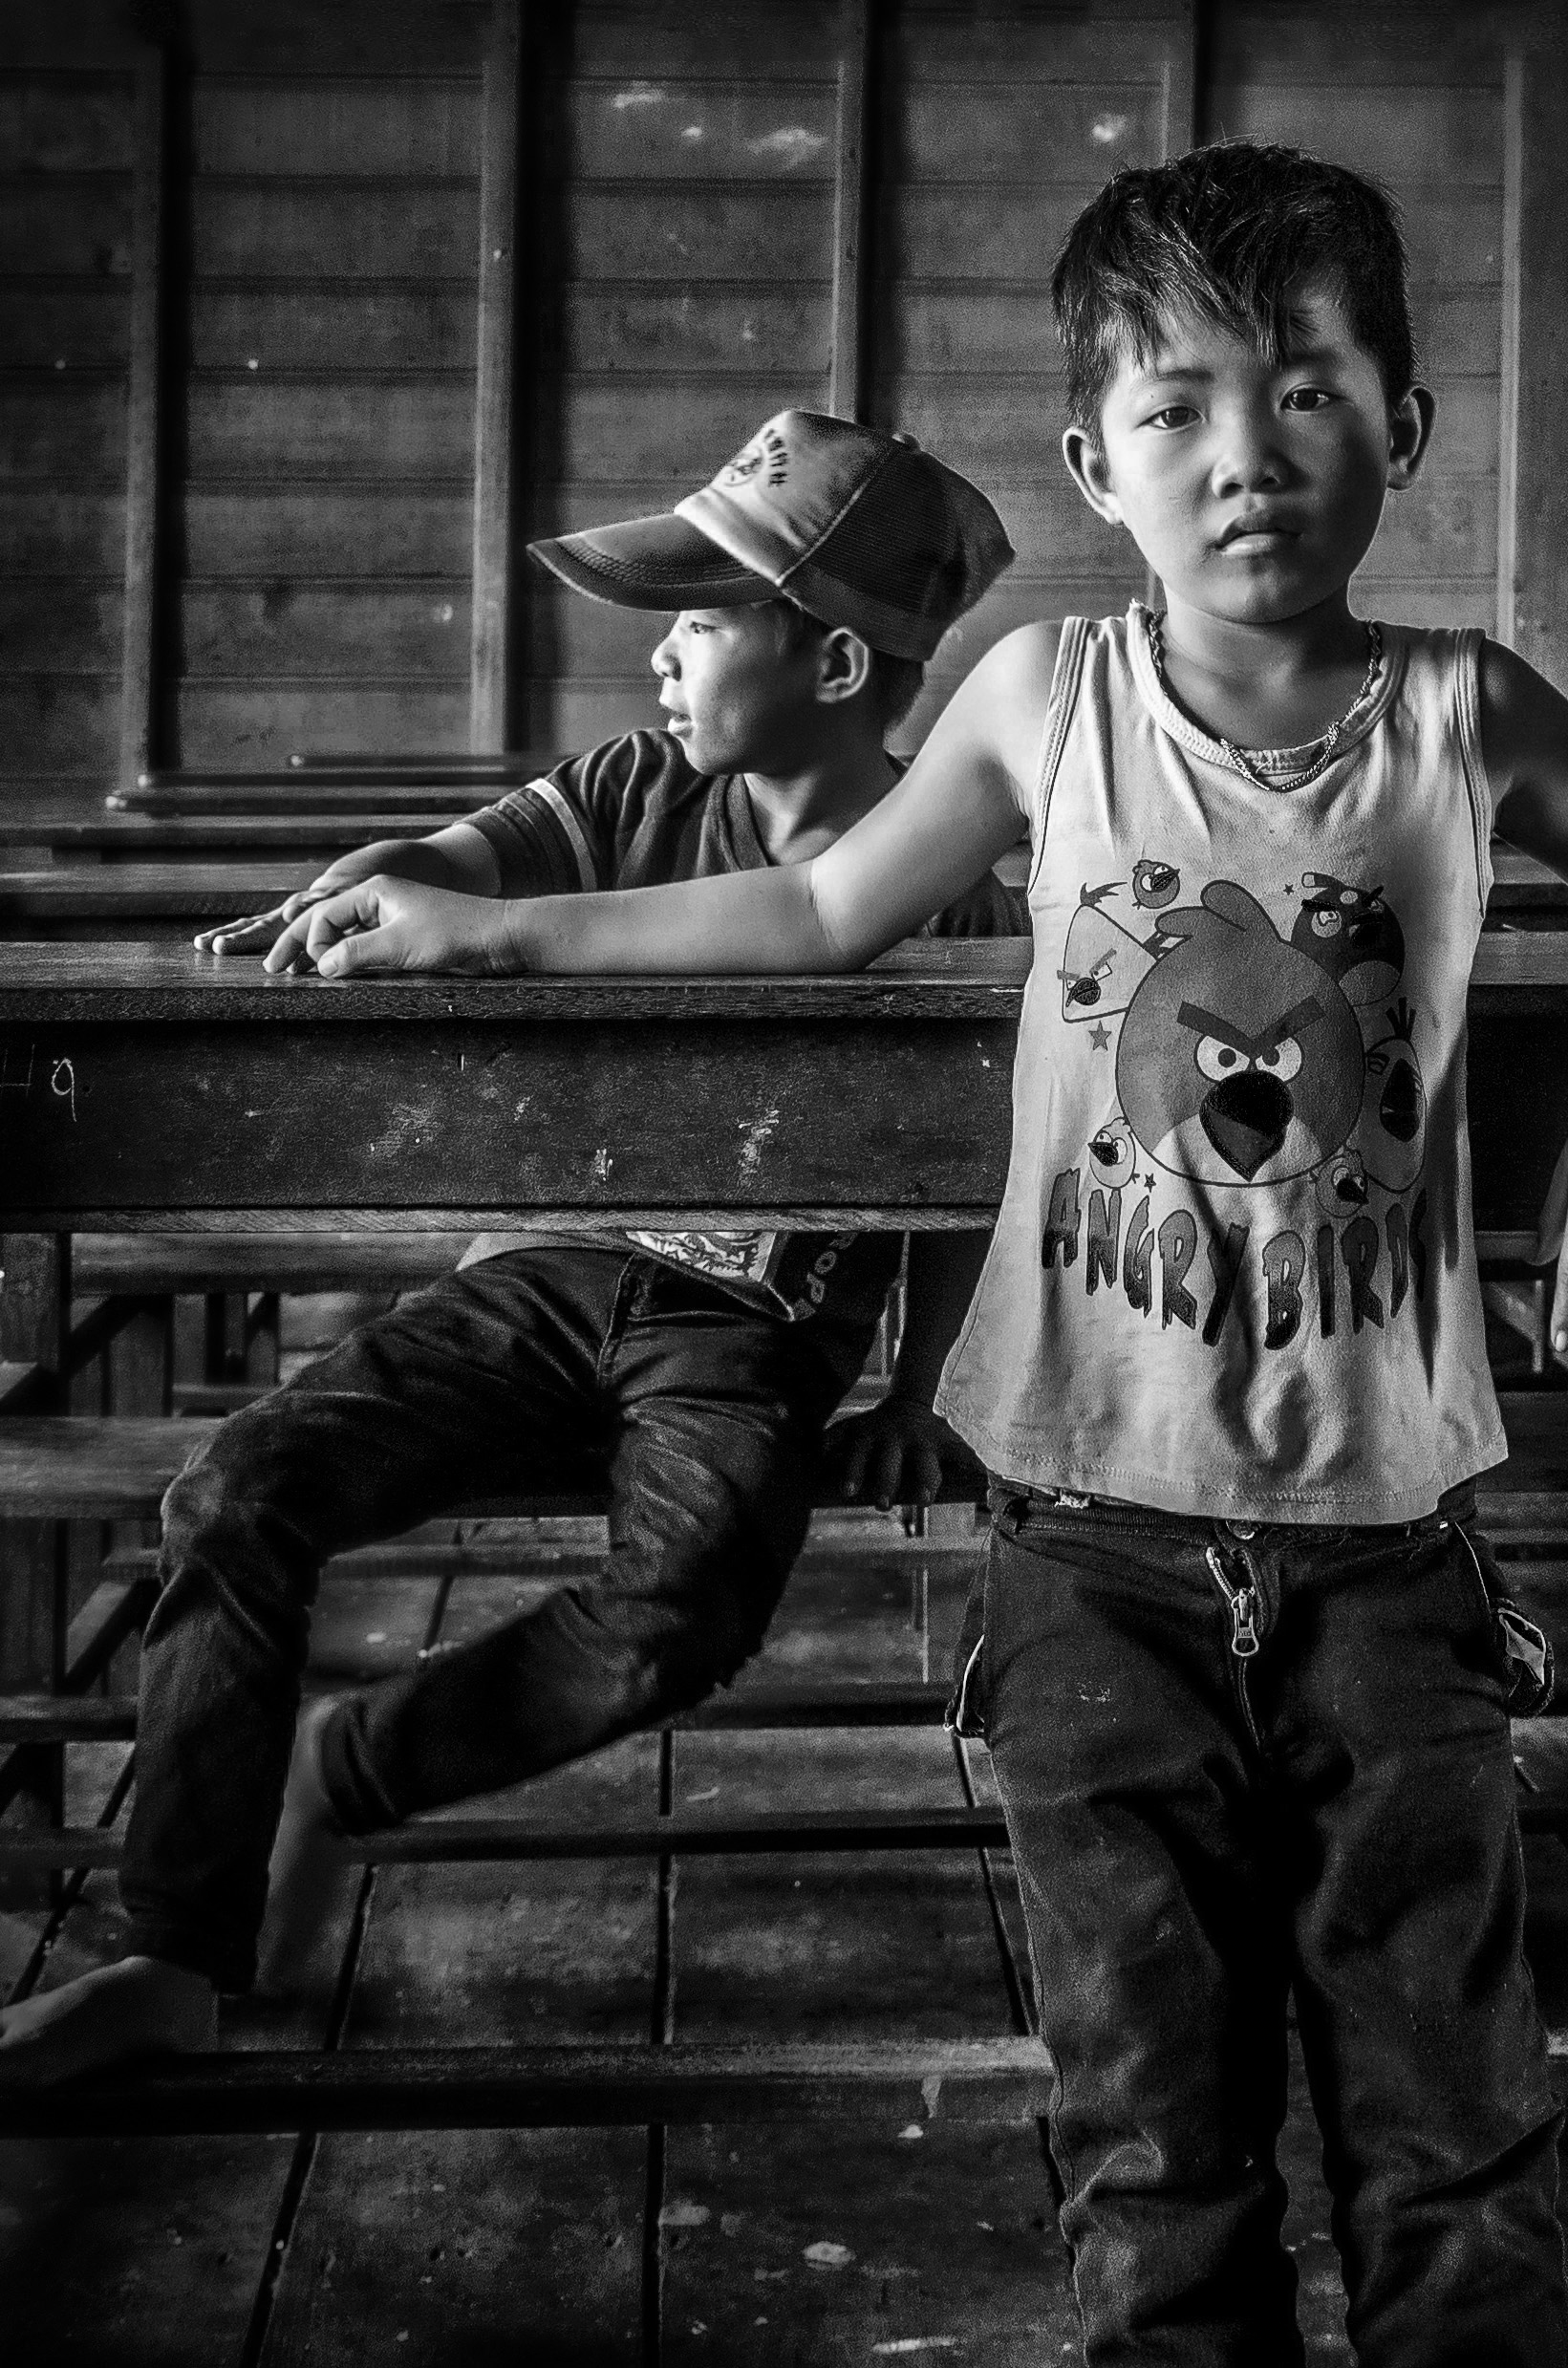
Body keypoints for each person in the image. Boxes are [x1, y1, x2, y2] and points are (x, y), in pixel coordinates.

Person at [126, 144, 1568, 2366]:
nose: (1244, 453)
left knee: (1452, 2135)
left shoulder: (1464, 714)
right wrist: (480, 915)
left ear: (1401, 428)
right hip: (1089, 1535)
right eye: (1173, 406)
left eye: (1302, 388)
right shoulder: (1035, 694)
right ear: (1096, 461)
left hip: (1391, 1530)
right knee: (1152, 2144)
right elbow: (809, 911)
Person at [0, 412, 1021, 2085]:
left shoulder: (955, 887)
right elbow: (454, 867)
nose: (663, 661)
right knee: (240, 1483)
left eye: (702, 621)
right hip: (540, 1277)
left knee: (684, 1602)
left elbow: (967, 1163)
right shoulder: (627, 788)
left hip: (752, 1329)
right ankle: (164, 1950)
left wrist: (928, 1379)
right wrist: (364, 887)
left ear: (834, 661)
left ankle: (366, 1757)